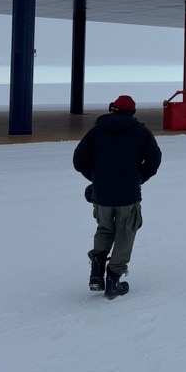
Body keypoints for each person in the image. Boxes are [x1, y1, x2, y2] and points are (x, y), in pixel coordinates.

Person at [73, 95, 162, 299]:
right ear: (132, 112)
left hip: (102, 194)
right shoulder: (141, 132)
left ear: (113, 109)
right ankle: (113, 280)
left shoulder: (97, 130)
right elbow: (154, 161)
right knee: (125, 232)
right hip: (128, 194)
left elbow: (79, 161)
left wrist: (96, 179)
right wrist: (138, 178)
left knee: (104, 229)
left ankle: (96, 273)